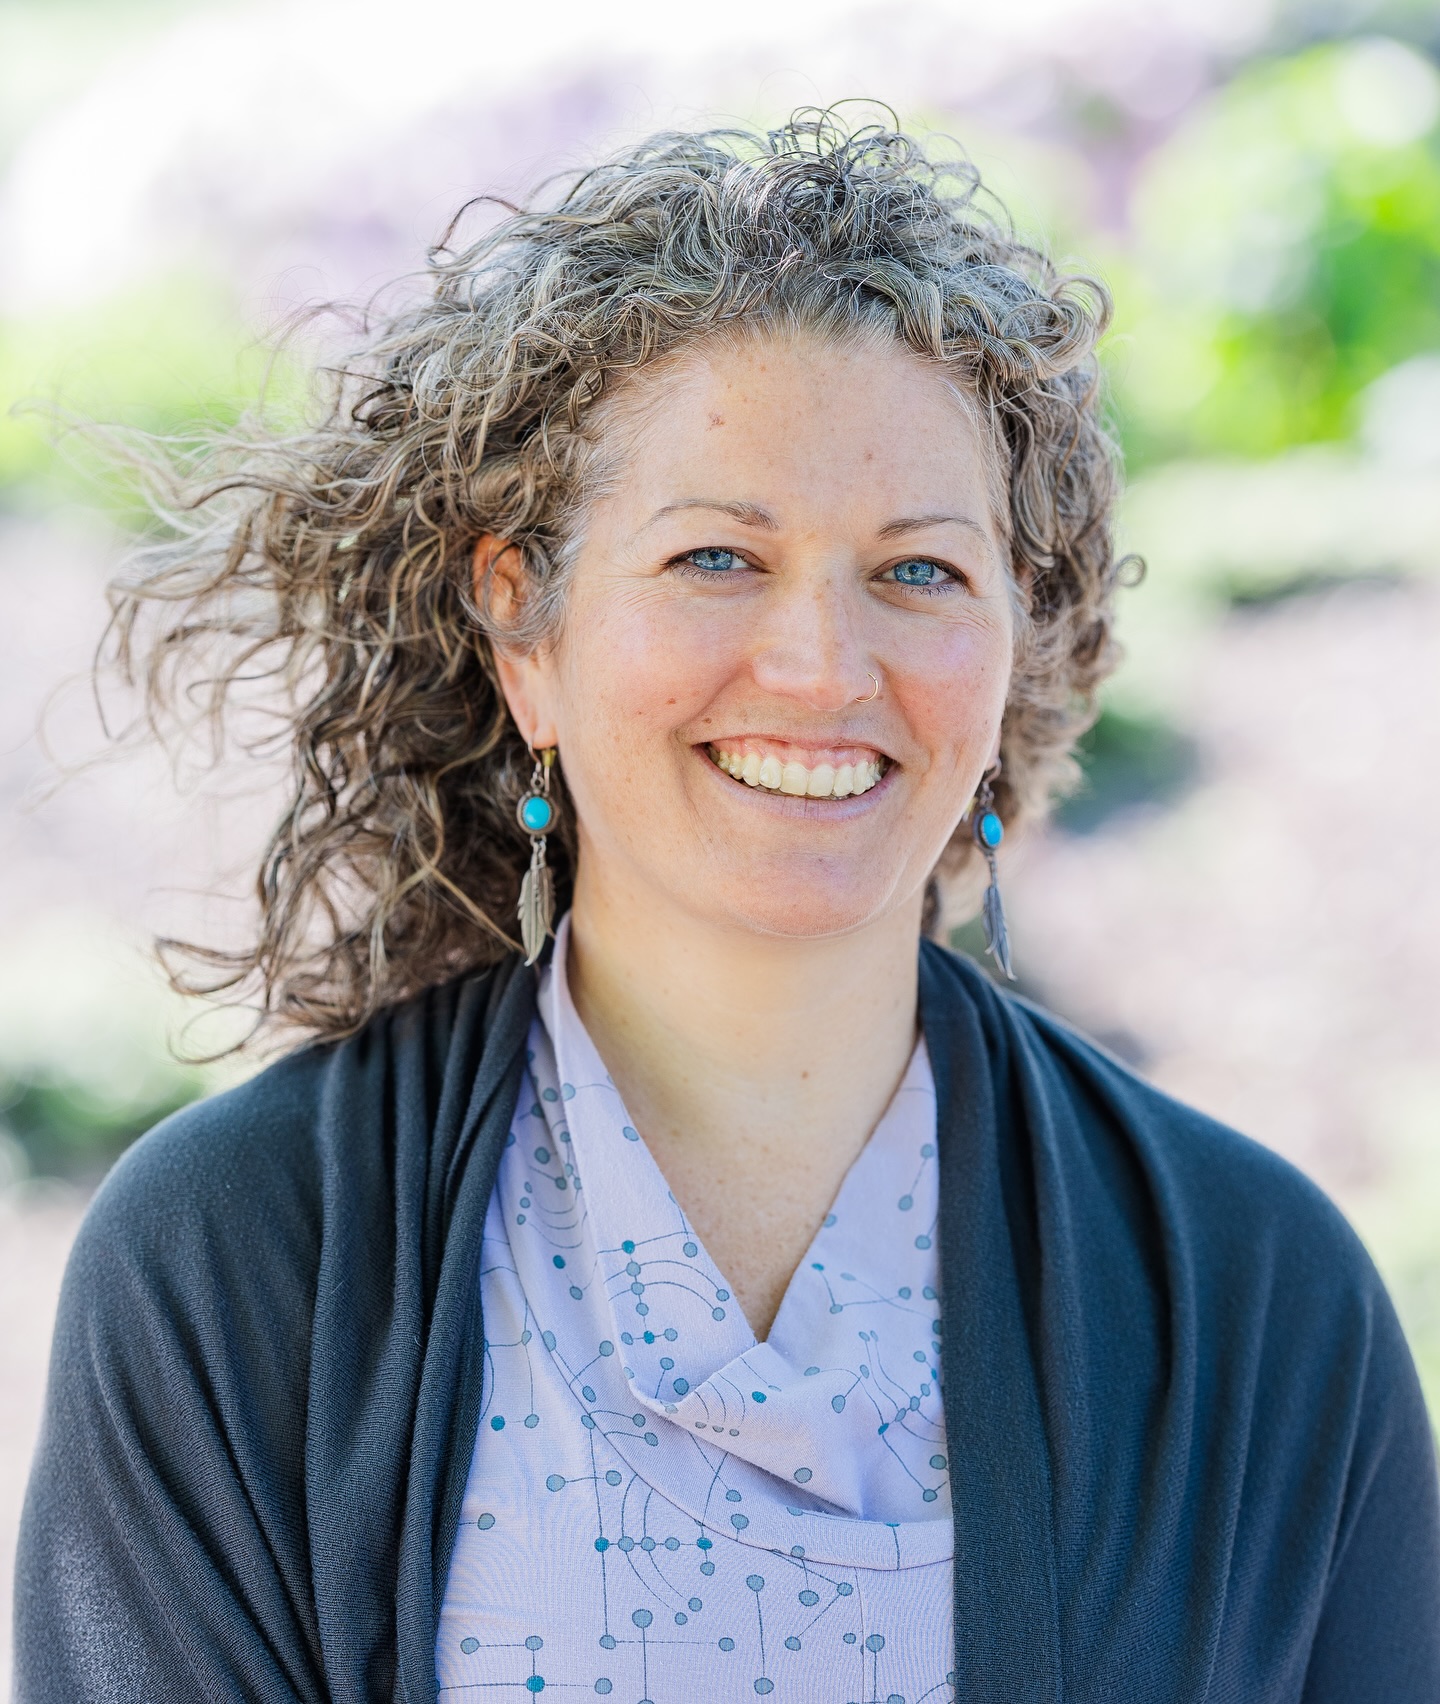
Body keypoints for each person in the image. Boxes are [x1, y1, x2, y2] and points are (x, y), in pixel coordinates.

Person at [14, 113, 1439, 1704]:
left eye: (919, 572)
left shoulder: (1255, 1300)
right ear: (522, 629)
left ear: (1017, 641)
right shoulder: (238, 1265)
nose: (824, 668)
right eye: (714, 557)